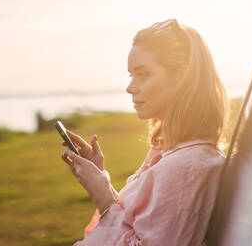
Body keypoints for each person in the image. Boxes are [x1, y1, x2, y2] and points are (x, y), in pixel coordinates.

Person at [60, 18, 229, 245]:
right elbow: (139, 224)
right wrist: (100, 177)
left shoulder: (188, 166)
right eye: (132, 75)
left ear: (182, 78)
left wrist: (102, 196)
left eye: (143, 74)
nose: (130, 87)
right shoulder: (170, 152)